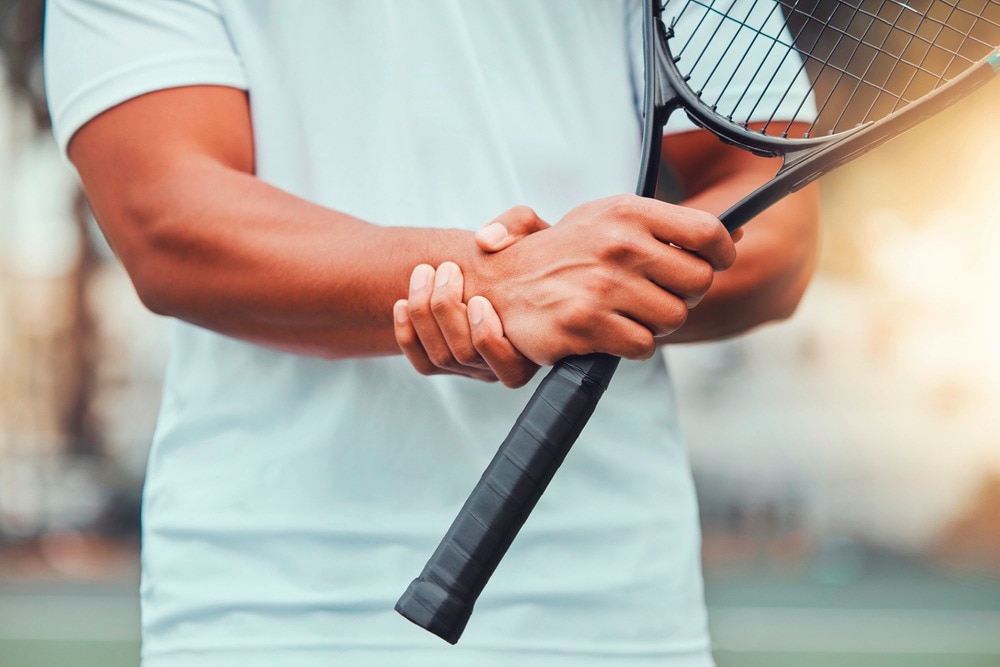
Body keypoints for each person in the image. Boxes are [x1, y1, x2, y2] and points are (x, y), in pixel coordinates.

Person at [44, 1, 819, 666]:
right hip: (268, 601)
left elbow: (777, 219)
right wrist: (498, 283)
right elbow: (168, 222)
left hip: (611, 602)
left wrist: (597, 287)